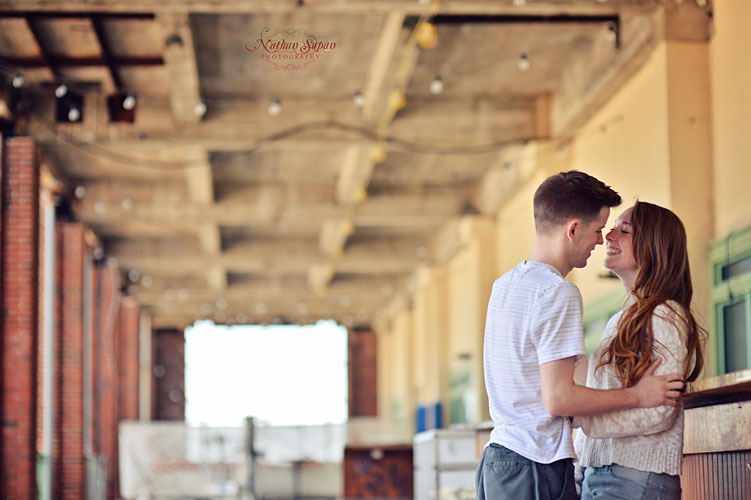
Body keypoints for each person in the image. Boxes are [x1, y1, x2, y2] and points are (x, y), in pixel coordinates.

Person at [475, 172, 685, 500]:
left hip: (499, 460)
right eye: (600, 229)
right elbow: (559, 398)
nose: (603, 239)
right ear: (573, 230)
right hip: (536, 462)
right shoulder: (558, 292)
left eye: (617, 230)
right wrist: (637, 396)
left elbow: (575, 381)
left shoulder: (503, 286)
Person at [574, 201, 705, 500]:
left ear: (653, 247)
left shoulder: (665, 315)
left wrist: (587, 421)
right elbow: (599, 396)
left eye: (624, 230)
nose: (608, 236)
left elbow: (660, 411)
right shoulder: (618, 321)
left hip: (636, 481)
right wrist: (580, 469)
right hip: (601, 476)